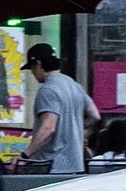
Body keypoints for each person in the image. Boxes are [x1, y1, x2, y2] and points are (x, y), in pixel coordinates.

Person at [17, 43, 100, 174]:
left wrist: (25, 155)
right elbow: (95, 116)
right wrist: (75, 131)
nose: (32, 73)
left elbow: (48, 127)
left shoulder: (47, 90)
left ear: (38, 64)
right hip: (76, 166)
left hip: (51, 167)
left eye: (32, 68)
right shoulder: (74, 85)